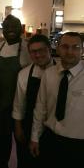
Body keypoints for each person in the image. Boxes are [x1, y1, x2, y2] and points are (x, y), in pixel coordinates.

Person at [30, 32, 84, 168]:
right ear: (57, 48)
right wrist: (35, 138)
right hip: (50, 139)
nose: (70, 51)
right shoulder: (49, 74)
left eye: (75, 47)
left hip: (78, 144)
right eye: (65, 46)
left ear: (82, 50)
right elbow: (40, 108)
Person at [0, 14, 31, 168]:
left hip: (21, 105)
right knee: (0, 147)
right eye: (6, 27)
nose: (10, 30)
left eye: (14, 26)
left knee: (22, 147)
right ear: (3, 29)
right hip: (0, 106)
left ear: (20, 28)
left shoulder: (27, 49)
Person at [12, 34, 55, 168]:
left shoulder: (61, 72)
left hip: (53, 129)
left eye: (41, 50)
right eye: (33, 52)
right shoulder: (24, 74)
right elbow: (19, 104)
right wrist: (18, 128)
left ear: (49, 49)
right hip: (28, 126)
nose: (37, 55)